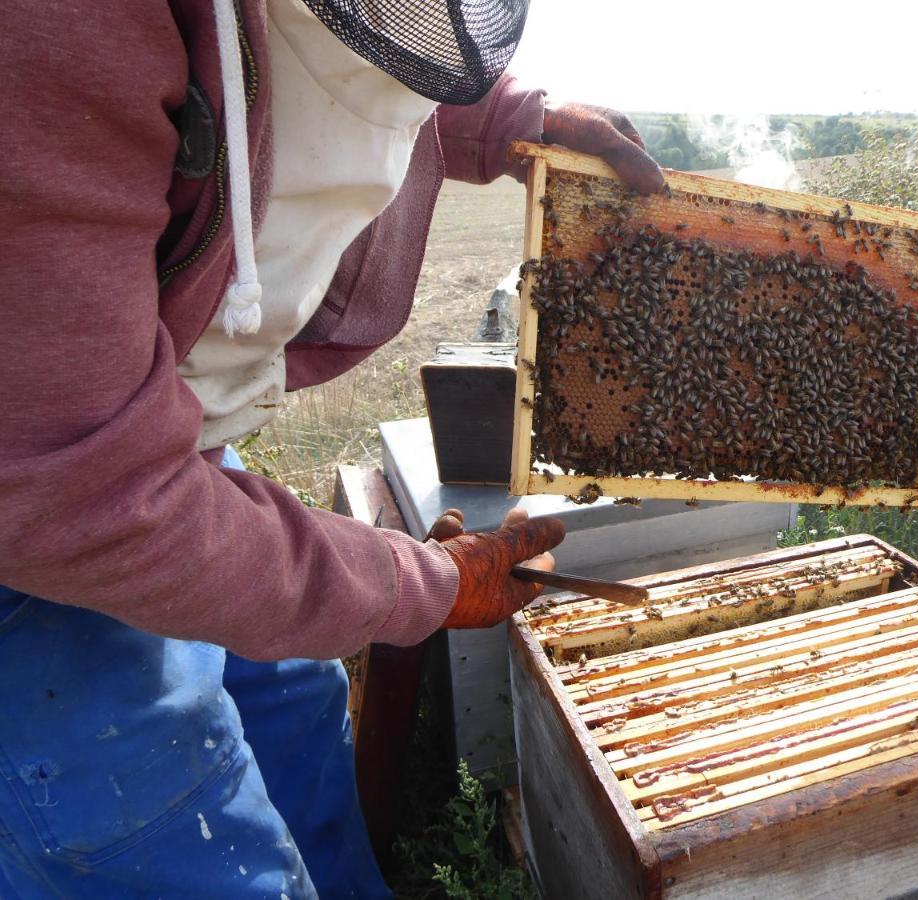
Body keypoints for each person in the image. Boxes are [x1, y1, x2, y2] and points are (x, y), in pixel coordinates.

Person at [0, 0, 663, 895]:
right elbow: (91, 499)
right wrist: (412, 584)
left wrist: (512, 120)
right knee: (195, 847)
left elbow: (348, 40)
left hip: (141, 442)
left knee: (296, 699)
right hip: (48, 517)